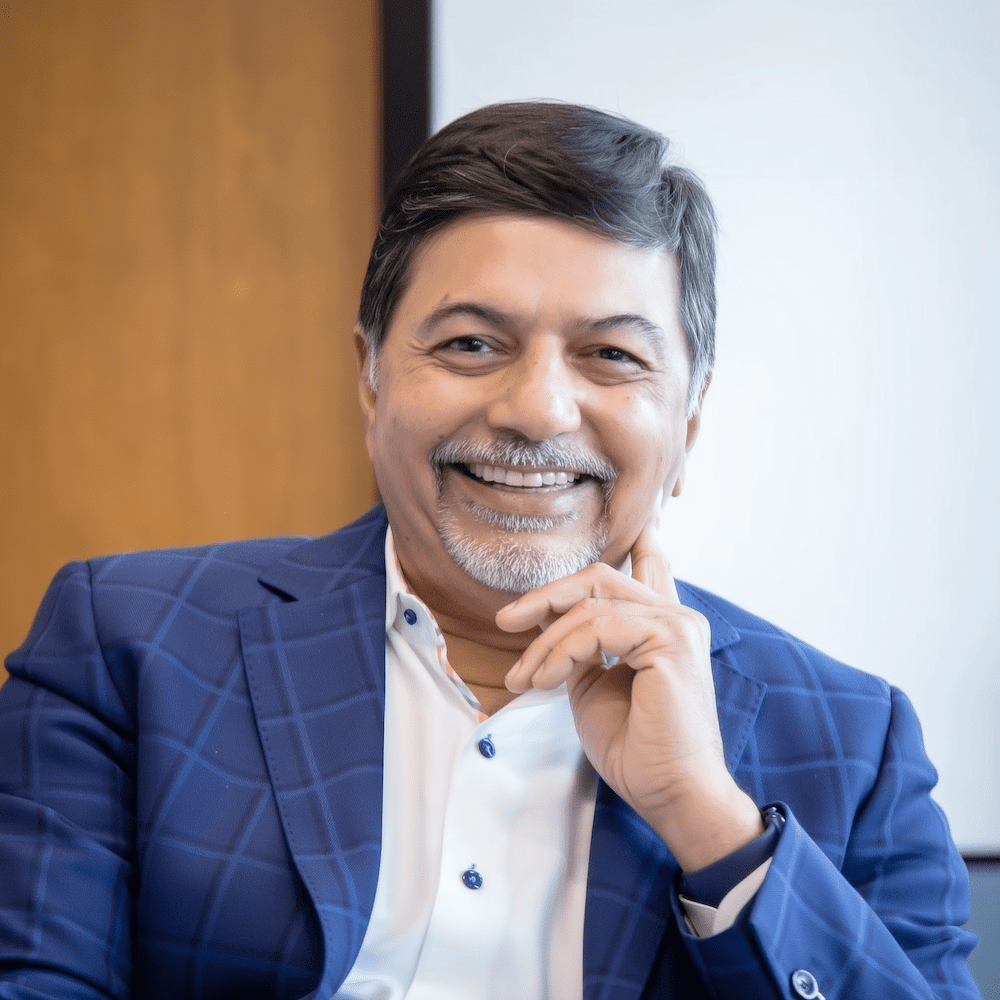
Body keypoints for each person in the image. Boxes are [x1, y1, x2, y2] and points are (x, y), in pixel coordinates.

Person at [0, 102, 980, 1000]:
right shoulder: (130, 646)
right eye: (471, 344)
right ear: (372, 376)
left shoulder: (854, 745)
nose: (536, 409)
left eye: (612, 356)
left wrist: (706, 822)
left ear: (688, 424)